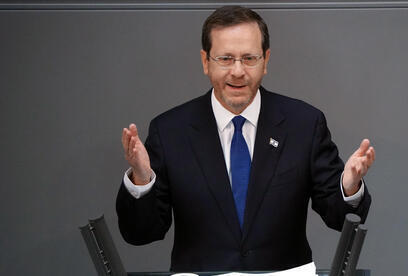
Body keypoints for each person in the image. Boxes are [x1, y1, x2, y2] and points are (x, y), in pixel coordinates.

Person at [117, 5, 375, 272]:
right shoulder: (170, 130)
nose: (238, 71)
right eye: (226, 59)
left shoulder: (304, 124)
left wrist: (349, 185)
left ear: (266, 60)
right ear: (206, 62)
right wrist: (141, 180)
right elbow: (141, 233)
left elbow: (339, 217)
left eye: (249, 58)